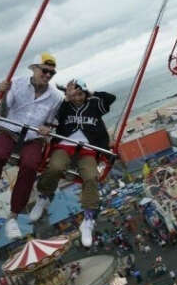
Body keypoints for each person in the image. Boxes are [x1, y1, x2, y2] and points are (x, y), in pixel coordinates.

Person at [0, 52, 63, 239]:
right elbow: (3, 112)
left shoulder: (56, 97)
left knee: (30, 167)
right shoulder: (17, 83)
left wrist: (46, 128)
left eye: (51, 73)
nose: (47, 75)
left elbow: (50, 122)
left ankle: (13, 216)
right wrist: (3, 94)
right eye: (44, 71)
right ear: (34, 69)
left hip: (33, 137)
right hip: (9, 131)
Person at [31, 79, 116, 247]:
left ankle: (88, 219)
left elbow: (110, 98)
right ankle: (45, 195)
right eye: (74, 95)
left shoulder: (93, 106)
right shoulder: (64, 107)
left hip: (88, 149)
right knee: (55, 166)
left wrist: (90, 93)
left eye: (80, 94)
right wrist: (65, 98)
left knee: (91, 177)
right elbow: (48, 114)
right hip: (65, 145)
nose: (77, 98)